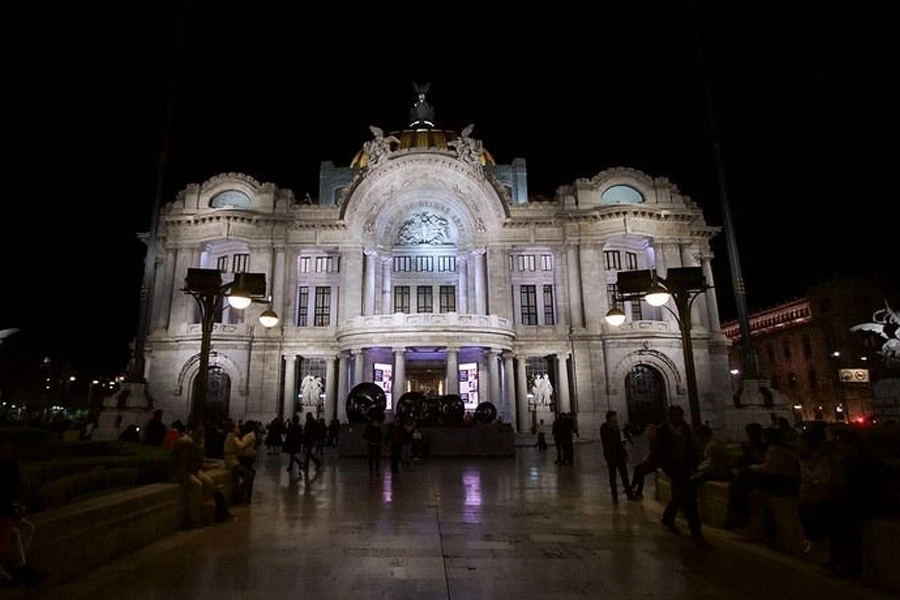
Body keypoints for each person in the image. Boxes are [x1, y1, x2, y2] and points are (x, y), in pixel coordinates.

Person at [656, 406, 704, 544]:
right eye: (675, 416)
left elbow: (692, 447)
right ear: (669, 416)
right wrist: (666, 468)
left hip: (686, 468)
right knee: (684, 498)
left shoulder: (685, 427)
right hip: (674, 469)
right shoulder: (662, 430)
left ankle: (694, 530)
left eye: (680, 415)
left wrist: (694, 465)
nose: (678, 418)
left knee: (685, 498)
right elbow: (659, 452)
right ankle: (694, 531)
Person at [0, 442, 43, 588]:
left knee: (27, 527)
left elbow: (11, 493)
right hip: (3, 516)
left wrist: (16, 507)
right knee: (14, 533)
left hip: (6, 512)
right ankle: (20, 567)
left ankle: (19, 564)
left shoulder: (10, 468)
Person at [170, 422, 219, 528]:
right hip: (183, 472)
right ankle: (194, 518)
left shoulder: (196, 442)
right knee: (197, 485)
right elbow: (183, 463)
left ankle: (203, 510)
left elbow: (198, 460)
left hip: (193, 470)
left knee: (209, 483)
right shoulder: (185, 442)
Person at [600, 410, 635, 503]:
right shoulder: (612, 427)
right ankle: (626, 494)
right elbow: (616, 441)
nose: (616, 418)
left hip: (611, 454)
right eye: (615, 416)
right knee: (620, 475)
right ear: (611, 417)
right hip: (615, 454)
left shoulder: (606, 427)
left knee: (617, 475)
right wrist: (624, 452)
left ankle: (618, 495)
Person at [223, 420, 255, 504]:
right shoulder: (233, 437)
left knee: (249, 474)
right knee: (249, 475)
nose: (239, 428)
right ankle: (237, 494)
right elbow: (241, 447)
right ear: (233, 429)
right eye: (237, 427)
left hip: (231, 460)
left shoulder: (230, 437)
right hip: (232, 462)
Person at [630, 423, 659, 499]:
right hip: (653, 461)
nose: (646, 433)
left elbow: (655, 455)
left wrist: (647, 460)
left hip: (657, 462)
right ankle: (635, 488)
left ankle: (637, 491)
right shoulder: (651, 441)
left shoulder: (655, 441)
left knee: (640, 470)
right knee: (638, 468)